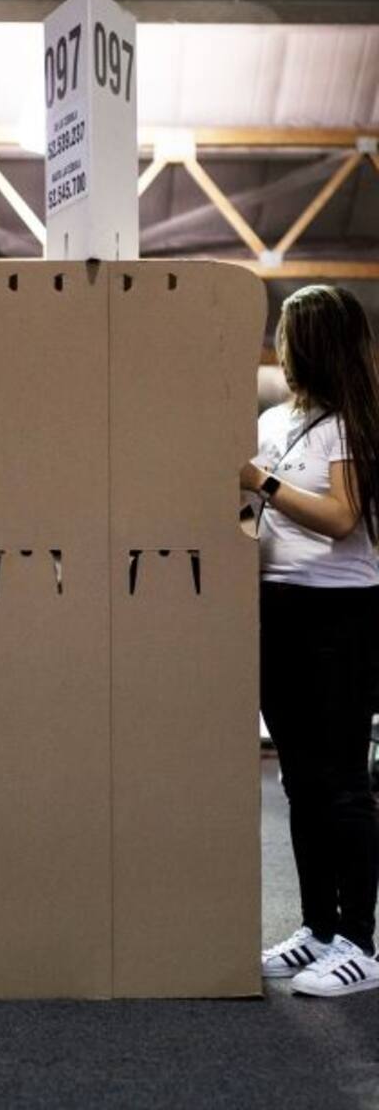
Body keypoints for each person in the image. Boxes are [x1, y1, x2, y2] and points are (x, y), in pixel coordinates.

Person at [240, 285, 379, 997]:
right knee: (298, 781)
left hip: (339, 614)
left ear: (314, 343)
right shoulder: (272, 419)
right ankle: (317, 929)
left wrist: (260, 482)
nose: (281, 347)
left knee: (342, 783)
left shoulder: (348, 424)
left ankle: (359, 941)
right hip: (278, 610)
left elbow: (341, 519)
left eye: (290, 335)